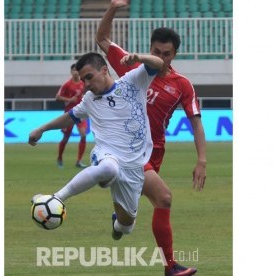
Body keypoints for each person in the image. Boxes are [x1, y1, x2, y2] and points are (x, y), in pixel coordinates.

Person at [95, 1, 207, 275]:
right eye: (156, 51)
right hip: (126, 150)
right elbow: (101, 39)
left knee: (126, 219)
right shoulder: (133, 67)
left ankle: (119, 221)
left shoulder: (181, 85)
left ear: (175, 54)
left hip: (154, 153)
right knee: (164, 198)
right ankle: (170, 267)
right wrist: (112, 8)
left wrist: (202, 159)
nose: (161, 57)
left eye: (166, 53)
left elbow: (195, 121)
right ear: (150, 48)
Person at [29, 52, 164, 240]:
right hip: (105, 154)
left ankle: (117, 222)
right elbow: (70, 116)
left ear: (104, 70)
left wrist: (140, 58)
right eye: (83, 80)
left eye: (89, 77)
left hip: (134, 166)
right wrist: (43, 128)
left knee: (126, 227)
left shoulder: (132, 82)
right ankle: (56, 197)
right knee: (109, 168)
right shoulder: (89, 100)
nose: (86, 84)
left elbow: (159, 63)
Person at [55, 63, 88, 169]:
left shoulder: (83, 83)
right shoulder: (67, 84)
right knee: (66, 137)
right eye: (73, 70)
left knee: (83, 135)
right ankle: (59, 157)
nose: (75, 72)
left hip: (80, 112)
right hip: (69, 114)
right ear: (71, 72)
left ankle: (79, 161)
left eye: (77, 70)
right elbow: (58, 97)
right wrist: (69, 100)